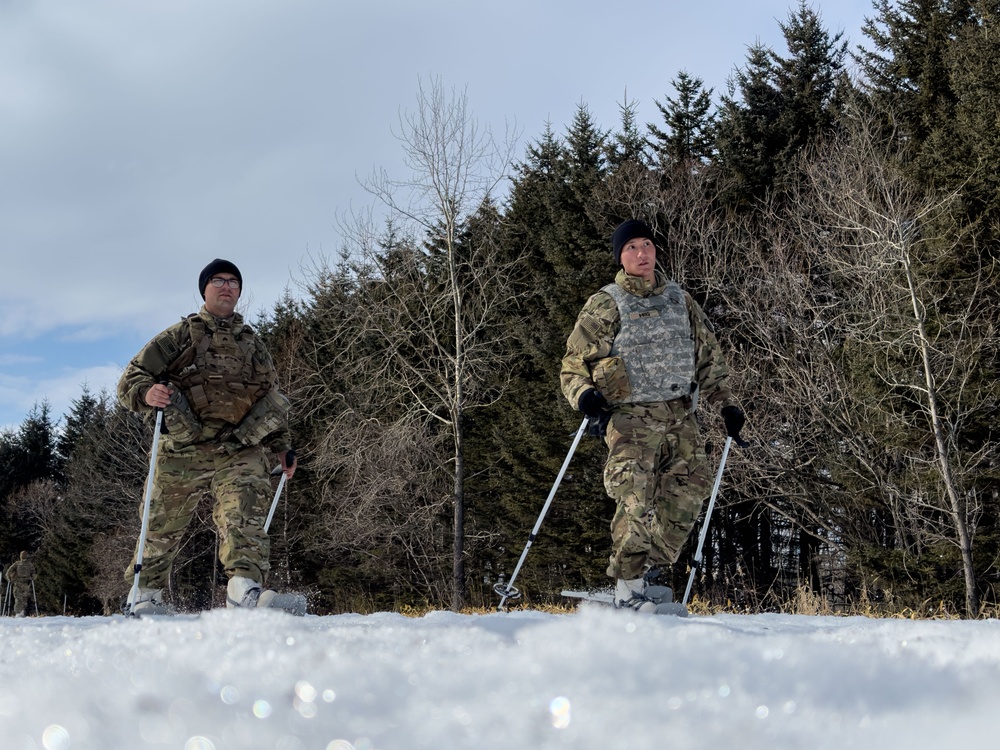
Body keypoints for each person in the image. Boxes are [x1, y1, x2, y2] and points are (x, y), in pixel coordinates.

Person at [560, 219, 746, 612]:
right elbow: (574, 363)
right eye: (631, 248)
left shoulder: (680, 300)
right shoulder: (607, 303)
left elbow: (708, 356)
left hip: (680, 415)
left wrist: (726, 403)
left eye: (647, 245)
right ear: (620, 257)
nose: (642, 254)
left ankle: (648, 571)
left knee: (688, 495)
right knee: (634, 496)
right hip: (631, 419)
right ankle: (627, 584)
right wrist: (585, 395)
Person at [118, 259, 303, 615]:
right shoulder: (179, 336)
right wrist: (147, 393)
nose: (226, 287)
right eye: (218, 281)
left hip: (238, 446)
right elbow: (132, 377)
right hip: (183, 445)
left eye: (233, 282)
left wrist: (283, 448)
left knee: (246, 507)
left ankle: (244, 589)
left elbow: (270, 397)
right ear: (204, 289)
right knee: (161, 520)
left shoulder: (254, 347)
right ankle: (146, 594)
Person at [5, 551, 36, 617]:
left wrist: (9, 578)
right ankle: (21, 612)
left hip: (18, 583)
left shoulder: (17, 563)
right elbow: (34, 573)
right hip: (26, 584)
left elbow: (8, 571)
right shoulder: (30, 564)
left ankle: (19, 613)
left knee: (19, 599)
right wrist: (32, 578)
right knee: (24, 599)